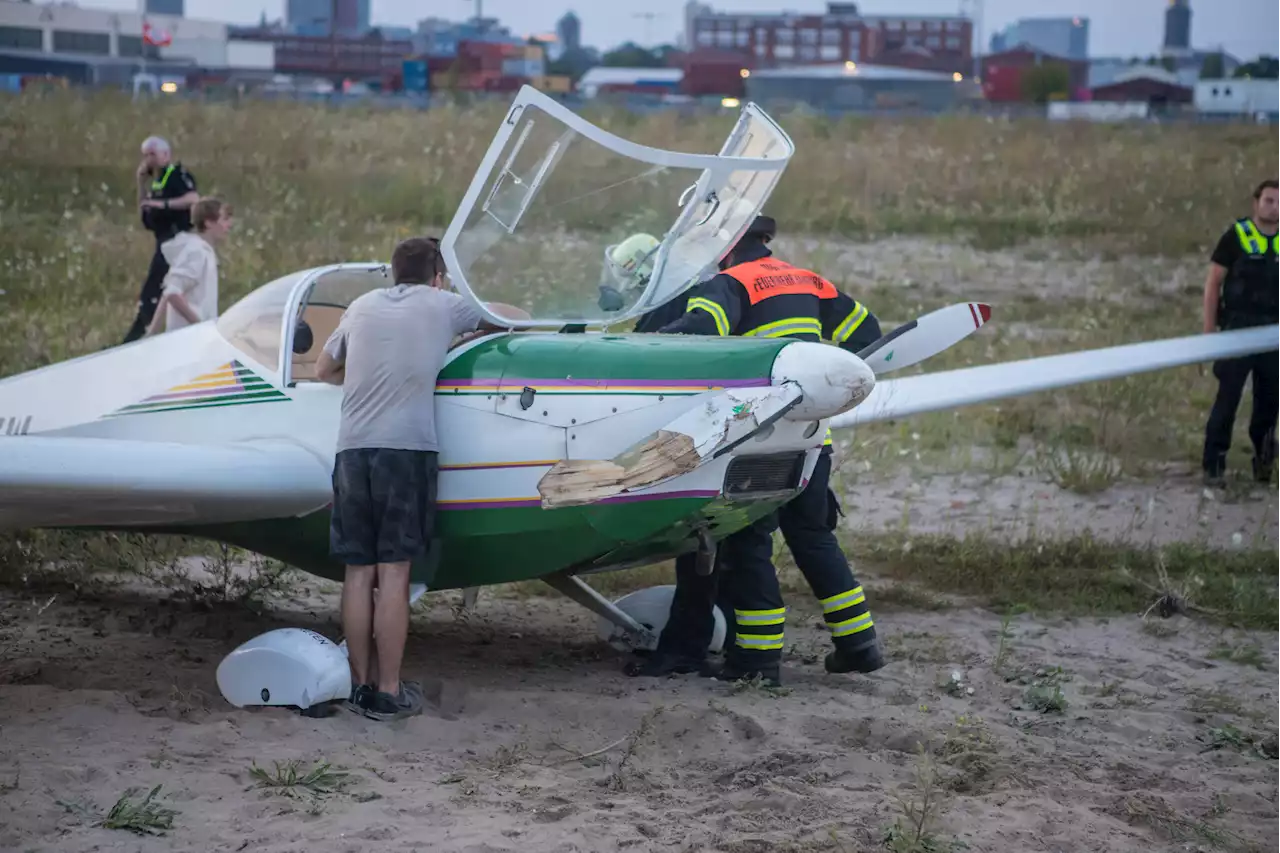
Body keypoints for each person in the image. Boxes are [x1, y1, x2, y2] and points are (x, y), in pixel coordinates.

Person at [622, 215, 887, 686]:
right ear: (765, 242)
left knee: (747, 545)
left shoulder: (731, 283)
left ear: (725, 246)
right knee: (814, 537)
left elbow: (700, 331)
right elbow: (868, 335)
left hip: (758, 447)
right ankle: (859, 644)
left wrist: (637, 345)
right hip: (810, 438)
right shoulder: (810, 281)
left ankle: (758, 662)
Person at [315, 236, 500, 721]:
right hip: (406, 450)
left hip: (352, 448)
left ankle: (357, 685)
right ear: (438, 276)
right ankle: (390, 689)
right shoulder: (444, 304)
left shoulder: (359, 305)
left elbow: (323, 367)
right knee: (395, 572)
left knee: (359, 572)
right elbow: (505, 315)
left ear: (395, 272)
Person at [1200, 179, 1280, 486]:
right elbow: (1213, 283)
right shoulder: (1237, 236)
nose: (1274, 207)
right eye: (1269, 201)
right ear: (1256, 202)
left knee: (1269, 405)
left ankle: (1263, 469)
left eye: (1278, 202)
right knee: (1227, 400)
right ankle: (1213, 466)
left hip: (1273, 334)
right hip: (1236, 330)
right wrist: (1209, 331)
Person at [125, 136, 199, 343]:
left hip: (177, 240)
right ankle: (142, 334)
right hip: (162, 241)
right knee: (158, 290)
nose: (148, 160)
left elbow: (192, 198)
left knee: (155, 290)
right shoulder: (155, 181)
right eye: (145, 155)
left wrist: (163, 205)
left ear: (165, 155)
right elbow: (143, 206)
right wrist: (140, 183)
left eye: (152, 155)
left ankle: (138, 338)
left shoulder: (176, 175)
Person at [143, 197, 233, 336]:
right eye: (224, 219)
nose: (229, 225)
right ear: (208, 222)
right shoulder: (196, 251)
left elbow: (169, 290)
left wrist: (152, 332)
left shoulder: (203, 251)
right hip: (188, 340)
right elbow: (173, 293)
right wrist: (201, 326)